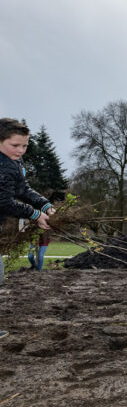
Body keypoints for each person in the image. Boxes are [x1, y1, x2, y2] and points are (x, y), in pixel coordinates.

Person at [1, 119, 55, 340]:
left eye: (24, 146)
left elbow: (22, 190)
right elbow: (3, 202)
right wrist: (34, 214)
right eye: (15, 145)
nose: (20, 150)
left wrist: (44, 205)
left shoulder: (14, 163)